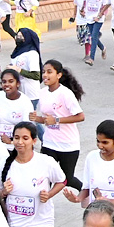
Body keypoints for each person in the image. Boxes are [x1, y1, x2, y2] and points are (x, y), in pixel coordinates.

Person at [31, 60, 86, 189]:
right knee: (44, 178)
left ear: (59, 75)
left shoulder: (65, 94)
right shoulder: (42, 93)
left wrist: (56, 120)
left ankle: (89, 196)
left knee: (67, 179)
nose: (45, 75)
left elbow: (80, 116)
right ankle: (41, 205)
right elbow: (46, 119)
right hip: (49, 142)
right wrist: (36, 118)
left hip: (67, 145)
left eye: (49, 72)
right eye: (43, 72)